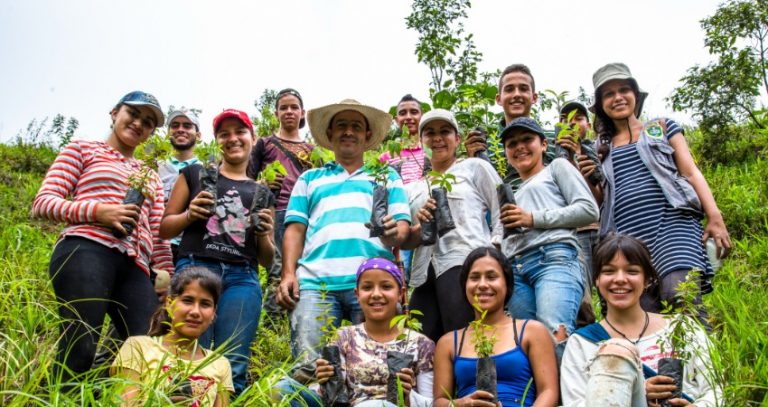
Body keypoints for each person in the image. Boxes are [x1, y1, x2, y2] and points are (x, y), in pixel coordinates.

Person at [31, 90, 173, 384]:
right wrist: (98, 212)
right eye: (133, 114)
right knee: (80, 345)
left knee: (151, 349)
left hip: (135, 265)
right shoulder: (83, 148)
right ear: (114, 113)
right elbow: (43, 203)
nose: (138, 124)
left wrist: (166, 273)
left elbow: (157, 231)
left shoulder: (151, 177)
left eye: (148, 122)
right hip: (86, 248)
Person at [277, 99, 411, 379]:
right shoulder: (310, 179)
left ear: (366, 136)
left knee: (376, 371)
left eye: (356, 126)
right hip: (315, 285)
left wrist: (391, 232)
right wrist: (288, 274)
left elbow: (402, 229)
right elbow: (295, 229)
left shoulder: (385, 177)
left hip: (372, 286)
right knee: (309, 371)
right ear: (329, 134)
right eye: (341, 125)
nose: (349, 132)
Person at [590, 62, 731, 315]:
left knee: (679, 294)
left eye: (624, 90)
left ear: (635, 95)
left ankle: (702, 355)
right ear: (601, 104)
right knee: (644, 311)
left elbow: (690, 172)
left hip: (673, 225)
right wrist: (589, 175)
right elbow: (599, 201)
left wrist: (715, 216)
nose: (618, 97)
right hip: (627, 235)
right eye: (609, 94)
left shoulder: (661, 128)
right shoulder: (599, 147)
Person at [160, 108, 275, 395]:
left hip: (242, 277)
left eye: (240, 132)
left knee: (233, 360)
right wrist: (189, 215)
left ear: (253, 137)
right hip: (196, 268)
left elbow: (266, 258)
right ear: (216, 141)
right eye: (225, 134)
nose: (233, 138)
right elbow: (165, 228)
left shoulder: (262, 191)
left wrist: (263, 235)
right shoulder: (195, 175)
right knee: (185, 351)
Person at [560, 234, 719, 406]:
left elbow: (716, 388)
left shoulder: (680, 327)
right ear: (597, 280)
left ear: (647, 280)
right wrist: (634, 393)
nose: (620, 279)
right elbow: (574, 403)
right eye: (609, 271)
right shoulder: (582, 343)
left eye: (632, 271)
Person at [401, 109, 502, 343]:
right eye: (429, 133)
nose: (437, 138)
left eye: (445, 131)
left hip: (466, 264)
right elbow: (405, 240)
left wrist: (496, 255)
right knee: (421, 345)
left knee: (466, 341)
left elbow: (501, 210)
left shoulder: (474, 168)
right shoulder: (412, 188)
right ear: (420, 142)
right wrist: (420, 224)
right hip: (424, 273)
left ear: (457, 139)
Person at [276, 258, 435, 406]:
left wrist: (408, 397)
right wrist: (324, 380)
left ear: (401, 294)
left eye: (386, 287)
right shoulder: (344, 336)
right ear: (357, 295)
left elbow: (431, 402)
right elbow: (334, 396)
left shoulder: (421, 344)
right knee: (280, 388)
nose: (376, 294)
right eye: (367, 287)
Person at [498, 117, 599, 346]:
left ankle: (563, 384)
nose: (520, 147)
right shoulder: (512, 192)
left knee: (555, 335)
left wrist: (532, 218)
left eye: (527, 139)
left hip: (554, 256)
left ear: (544, 145)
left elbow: (589, 210)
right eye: (512, 144)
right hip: (516, 268)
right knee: (527, 344)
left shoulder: (557, 167)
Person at [433, 247, 559, 407]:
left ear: (507, 285)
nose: (483, 285)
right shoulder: (448, 342)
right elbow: (439, 401)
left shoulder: (532, 331)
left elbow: (549, 391)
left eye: (492, 277)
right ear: (465, 286)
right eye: (474, 278)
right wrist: (462, 404)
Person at [111, 267, 233, 406]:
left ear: (213, 313)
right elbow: (126, 403)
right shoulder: (138, 347)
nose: (195, 311)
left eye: (205, 304)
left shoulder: (220, 364)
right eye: (187, 300)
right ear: (169, 303)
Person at [247, 88, 314, 325]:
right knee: (277, 270)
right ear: (276, 112)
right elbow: (246, 180)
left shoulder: (312, 151)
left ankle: (296, 324)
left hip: (304, 216)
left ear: (302, 112)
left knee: (302, 271)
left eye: (294, 107)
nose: (289, 111)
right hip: (275, 212)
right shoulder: (265, 144)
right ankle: (272, 327)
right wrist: (263, 182)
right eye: (283, 107)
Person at [464, 64, 556, 186]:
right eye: (509, 89)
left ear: (534, 97)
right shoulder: (485, 146)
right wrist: (474, 162)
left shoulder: (554, 138)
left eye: (523, 88)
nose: (516, 94)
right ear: (498, 99)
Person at [557, 100, 603, 326]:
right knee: (582, 295)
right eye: (566, 120)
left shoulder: (597, 149)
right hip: (576, 232)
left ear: (589, 124)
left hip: (603, 229)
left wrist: (579, 157)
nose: (572, 124)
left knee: (610, 287)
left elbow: (600, 193)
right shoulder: (557, 156)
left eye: (578, 119)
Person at [158, 108, 202, 263]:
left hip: (191, 246)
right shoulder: (154, 166)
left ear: (198, 135)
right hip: (156, 244)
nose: (180, 130)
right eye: (175, 125)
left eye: (187, 125)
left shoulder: (208, 170)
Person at [380, 94, 428, 185]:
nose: (408, 117)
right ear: (397, 120)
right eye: (402, 113)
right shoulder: (386, 157)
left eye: (414, 112)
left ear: (422, 116)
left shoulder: (432, 151)